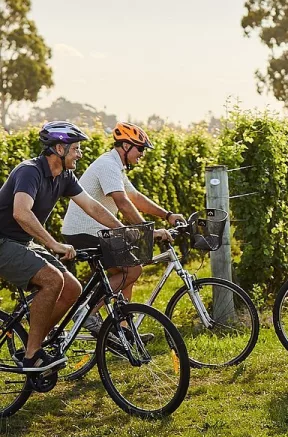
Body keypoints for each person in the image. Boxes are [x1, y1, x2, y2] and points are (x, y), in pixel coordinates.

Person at [0, 122, 125, 371]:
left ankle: (34, 342)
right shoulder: (30, 172)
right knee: (53, 279)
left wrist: (122, 231)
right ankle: (31, 355)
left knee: (72, 289)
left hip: (22, 243)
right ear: (59, 148)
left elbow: (93, 207)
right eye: (76, 148)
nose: (79, 154)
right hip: (2, 242)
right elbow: (21, 213)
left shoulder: (65, 176)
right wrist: (53, 243)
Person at [61, 122, 179, 337]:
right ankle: (86, 312)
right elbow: (123, 203)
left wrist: (167, 215)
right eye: (140, 149)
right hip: (86, 231)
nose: (142, 154)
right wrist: (149, 232)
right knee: (133, 270)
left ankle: (123, 331)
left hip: (96, 230)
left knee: (126, 272)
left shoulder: (116, 167)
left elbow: (135, 198)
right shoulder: (107, 165)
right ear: (125, 146)